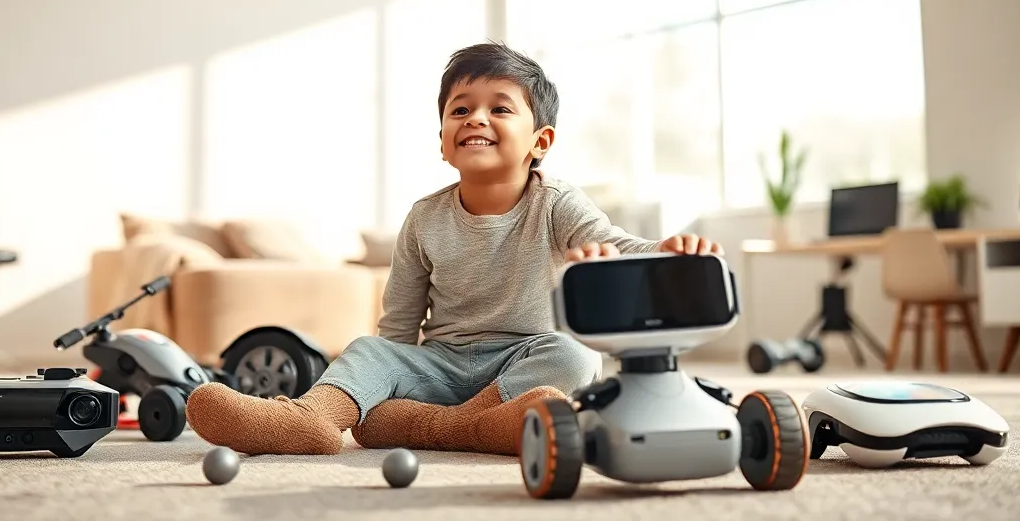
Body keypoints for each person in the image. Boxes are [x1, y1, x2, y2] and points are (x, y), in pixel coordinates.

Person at [184, 41, 723, 456]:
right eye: (460, 110)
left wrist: (668, 251)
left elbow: (614, 244)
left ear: (541, 141)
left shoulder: (556, 202)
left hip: (523, 359)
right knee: (370, 352)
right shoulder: (424, 216)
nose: (476, 119)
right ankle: (311, 420)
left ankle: (459, 426)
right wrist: (378, 376)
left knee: (576, 355)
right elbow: (399, 322)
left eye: (500, 109)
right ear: (444, 141)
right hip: (441, 365)